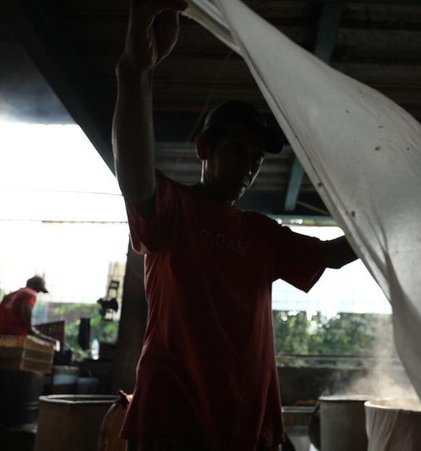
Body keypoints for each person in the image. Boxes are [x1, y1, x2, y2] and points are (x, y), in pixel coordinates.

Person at [114, 1, 358, 449]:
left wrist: (390, 226)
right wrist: (135, 70)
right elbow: (132, 173)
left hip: (247, 424)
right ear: (204, 148)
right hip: (173, 420)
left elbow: (332, 256)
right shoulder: (173, 209)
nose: (247, 167)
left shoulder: (260, 233)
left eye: (256, 159)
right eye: (237, 150)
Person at [0, 275, 58, 346]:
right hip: (15, 335)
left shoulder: (10, 295)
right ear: (35, 285)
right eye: (39, 290)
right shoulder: (31, 294)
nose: (38, 292)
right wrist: (30, 328)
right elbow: (26, 309)